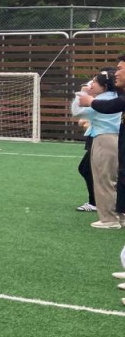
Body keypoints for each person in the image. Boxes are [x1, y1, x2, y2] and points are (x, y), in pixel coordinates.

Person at [71, 69, 122, 228]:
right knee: (115, 181)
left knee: (103, 180)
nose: (91, 84)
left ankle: (108, 219)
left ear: (104, 86)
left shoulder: (100, 100)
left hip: (104, 140)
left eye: (94, 82)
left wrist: (82, 92)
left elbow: (77, 111)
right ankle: (119, 215)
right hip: (119, 139)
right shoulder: (117, 98)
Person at [75, 116, 97, 213]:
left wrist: (89, 121)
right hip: (95, 138)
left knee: (87, 170)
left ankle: (95, 203)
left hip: (100, 139)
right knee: (85, 169)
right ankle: (95, 202)